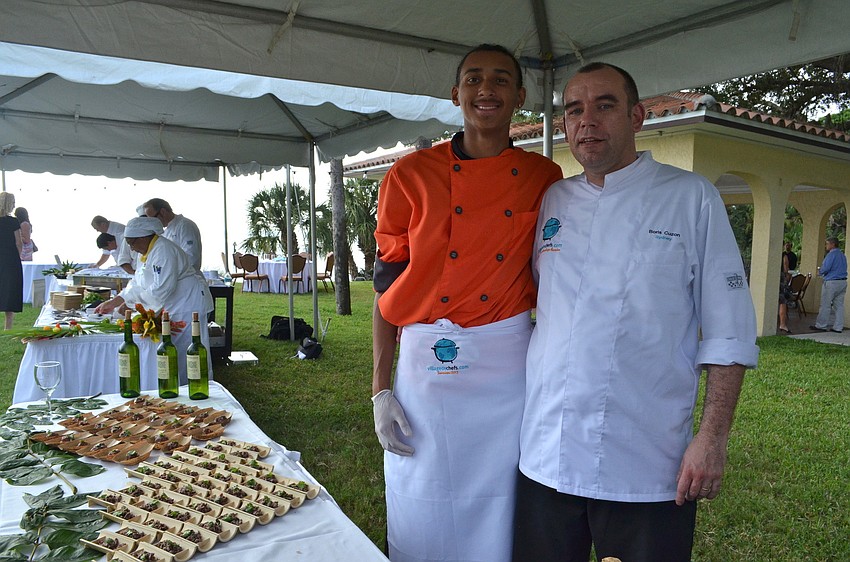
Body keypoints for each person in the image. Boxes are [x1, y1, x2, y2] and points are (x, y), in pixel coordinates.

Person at [513, 62, 760, 562]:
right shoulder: (554, 201)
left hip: (646, 462)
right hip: (545, 453)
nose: (587, 121)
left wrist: (712, 438)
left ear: (637, 116)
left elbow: (730, 331)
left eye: (604, 105)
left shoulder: (691, 197)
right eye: (574, 110)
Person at [371, 44, 562, 562]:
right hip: (425, 362)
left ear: (520, 96)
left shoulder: (545, 178)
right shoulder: (410, 175)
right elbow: (386, 292)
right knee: (420, 487)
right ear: (456, 94)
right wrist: (380, 391)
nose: (486, 90)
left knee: (502, 495)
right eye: (474, 79)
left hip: (507, 364)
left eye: (500, 80)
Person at [95, 216, 213, 382]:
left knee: (188, 348)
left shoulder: (163, 250)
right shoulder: (146, 252)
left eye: (132, 243)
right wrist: (117, 301)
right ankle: (178, 384)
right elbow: (138, 282)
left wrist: (132, 305)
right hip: (174, 304)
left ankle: (194, 386)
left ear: (143, 237)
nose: (131, 248)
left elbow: (160, 289)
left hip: (187, 304)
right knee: (175, 347)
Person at [143, 198, 203, 271]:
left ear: (163, 212)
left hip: (187, 276)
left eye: (153, 219)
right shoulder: (165, 232)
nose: (153, 223)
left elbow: (191, 258)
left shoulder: (185, 225)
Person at [809, 237, 847, 333]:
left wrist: (820, 271)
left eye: (827, 244)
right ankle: (838, 327)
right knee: (839, 306)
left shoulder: (831, 255)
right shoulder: (842, 255)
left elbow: (825, 268)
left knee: (825, 304)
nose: (826, 246)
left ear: (832, 244)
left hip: (831, 282)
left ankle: (821, 325)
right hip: (842, 282)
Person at [0, 193, 23, 330]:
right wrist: (18, 256)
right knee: (10, 291)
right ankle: (7, 327)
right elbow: (18, 242)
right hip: (10, 259)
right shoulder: (13, 221)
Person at [778, 251, 792, 334]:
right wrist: (787, 275)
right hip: (781, 279)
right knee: (783, 302)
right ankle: (782, 324)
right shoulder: (783, 255)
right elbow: (786, 267)